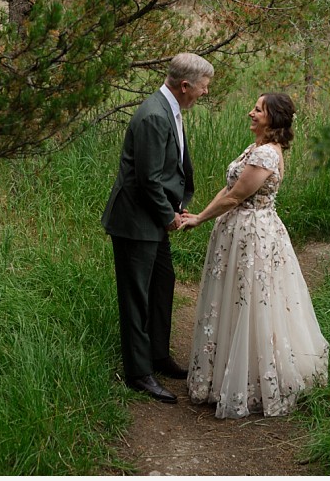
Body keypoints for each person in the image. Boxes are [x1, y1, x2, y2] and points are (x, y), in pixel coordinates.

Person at [179, 92, 329, 419]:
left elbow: (236, 196)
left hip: (253, 235)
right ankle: (222, 375)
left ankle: (251, 383)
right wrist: (201, 214)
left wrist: (200, 219)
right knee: (232, 299)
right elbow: (229, 187)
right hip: (237, 232)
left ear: (272, 119)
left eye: (258, 110)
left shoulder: (267, 156)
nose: (251, 112)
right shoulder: (255, 149)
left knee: (251, 302)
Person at [101, 53, 215, 404]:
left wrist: (175, 208)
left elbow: (168, 170)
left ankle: (158, 356)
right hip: (136, 222)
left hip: (154, 217)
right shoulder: (153, 115)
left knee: (163, 285)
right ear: (185, 86)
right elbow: (149, 179)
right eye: (204, 87)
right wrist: (169, 217)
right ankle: (139, 373)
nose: (205, 93)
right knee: (137, 297)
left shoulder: (171, 109)